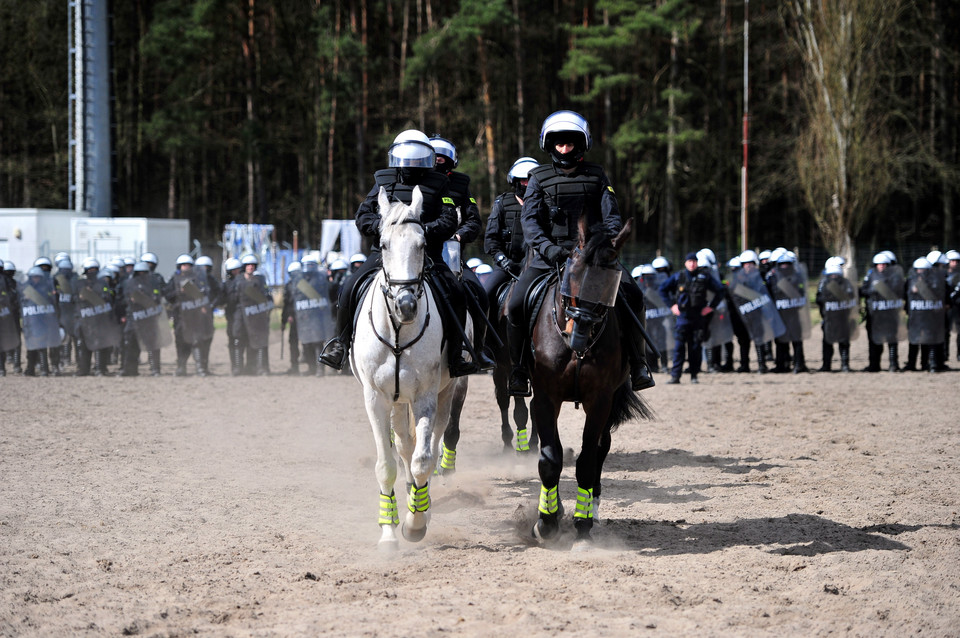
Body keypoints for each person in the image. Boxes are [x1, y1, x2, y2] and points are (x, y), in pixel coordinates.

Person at [506, 110, 654, 396]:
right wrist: (550, 250)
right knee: (515, 304)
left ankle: (638, 364)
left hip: (595, 259)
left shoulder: (598, 175)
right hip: (549, 258)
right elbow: (531, 221)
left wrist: (600, 248)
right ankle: (519, 370)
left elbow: (612, 218)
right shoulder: (538, 177)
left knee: (633, 295)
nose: (564, 149)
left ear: (580, 144)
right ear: (550, 146)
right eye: (559, 144)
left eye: (570, 143)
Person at [319, 129, 478, 377]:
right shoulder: (383, 180)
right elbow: (363, 216)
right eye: (407, 157)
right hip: (384, 253)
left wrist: (421, 231)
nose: (411, 163)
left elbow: (448, 220)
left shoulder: (439, 183)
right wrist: (383, 228)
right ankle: (340, 343)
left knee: (457, 292)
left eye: (417, 158)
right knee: (349, 286)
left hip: (427, 253)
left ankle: (456, 355)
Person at [430, 135, 495, 370]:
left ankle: (477, 350)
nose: (439, 160)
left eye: (443, 156)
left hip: (450, 256)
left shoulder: (460, 184)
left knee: (479, 293)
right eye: (434, 156)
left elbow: (473, 221)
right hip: (411, 252)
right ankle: (343, 343)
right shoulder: (412, 181)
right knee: (356, 286)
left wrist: (458, 236)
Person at [658, 252, 726, 384]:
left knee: (695, 348)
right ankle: (675, 376)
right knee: (678, 348)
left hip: (698, 317)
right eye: (689, 261)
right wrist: (672, 306)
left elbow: (720, 290)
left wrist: (711, 307)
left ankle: (694, 375)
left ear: (697, 263)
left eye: (694, 261)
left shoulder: (704, 277)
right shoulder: (679, 276)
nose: (692, 264)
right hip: (682, 317)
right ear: (685, 263)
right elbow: (662, 289)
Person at [483, 156, 538, 302]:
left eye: (530, 180)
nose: (526, 184)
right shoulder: (502, 203)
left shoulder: (543, 206)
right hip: (506, 267)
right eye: (522, 180)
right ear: (515, 181)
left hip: (537, 268)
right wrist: (501, 259)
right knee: (483, 297)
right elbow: (490, 239)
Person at [860, 252, 905, 371]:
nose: (881, 266)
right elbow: (863, 290)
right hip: (874, 315)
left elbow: (899, 291)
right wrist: (873, 290)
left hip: (890, 314)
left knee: (892, 339)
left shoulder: (895, 276)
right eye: (879, 264)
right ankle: (874, 365)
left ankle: (893, 364)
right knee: (874, 341)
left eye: (884, 264)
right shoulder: (870, 276)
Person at [815, 260, 858, 372]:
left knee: (844, 342)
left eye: (836, 274)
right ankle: (826, 365)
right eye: (831, 274)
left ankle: (845, 365)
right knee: (827, 343)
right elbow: (819, 299)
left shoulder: (846, 283)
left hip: (843, 318)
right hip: (829, 319)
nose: (834, 276)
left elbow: (851, 298)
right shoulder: (823, 283)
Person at [222, 257, 245, 375]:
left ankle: (244, 366)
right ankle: (235, 367)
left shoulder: (245, 282)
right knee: (233, 340)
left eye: (238, 270)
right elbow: (222, 298)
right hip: (231, 316)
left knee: (241, 341)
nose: (236, 273)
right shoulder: (226, 285)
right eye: (233, 270)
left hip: (245, 317)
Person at [281, 260, 303, 375]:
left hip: (304, 319)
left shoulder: (304, 285)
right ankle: (295, 366)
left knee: (305, 342)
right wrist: (284, 320)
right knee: (294, 342)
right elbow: (287, 304)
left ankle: (311, 366)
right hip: (294, 318)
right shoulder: (290, 286)